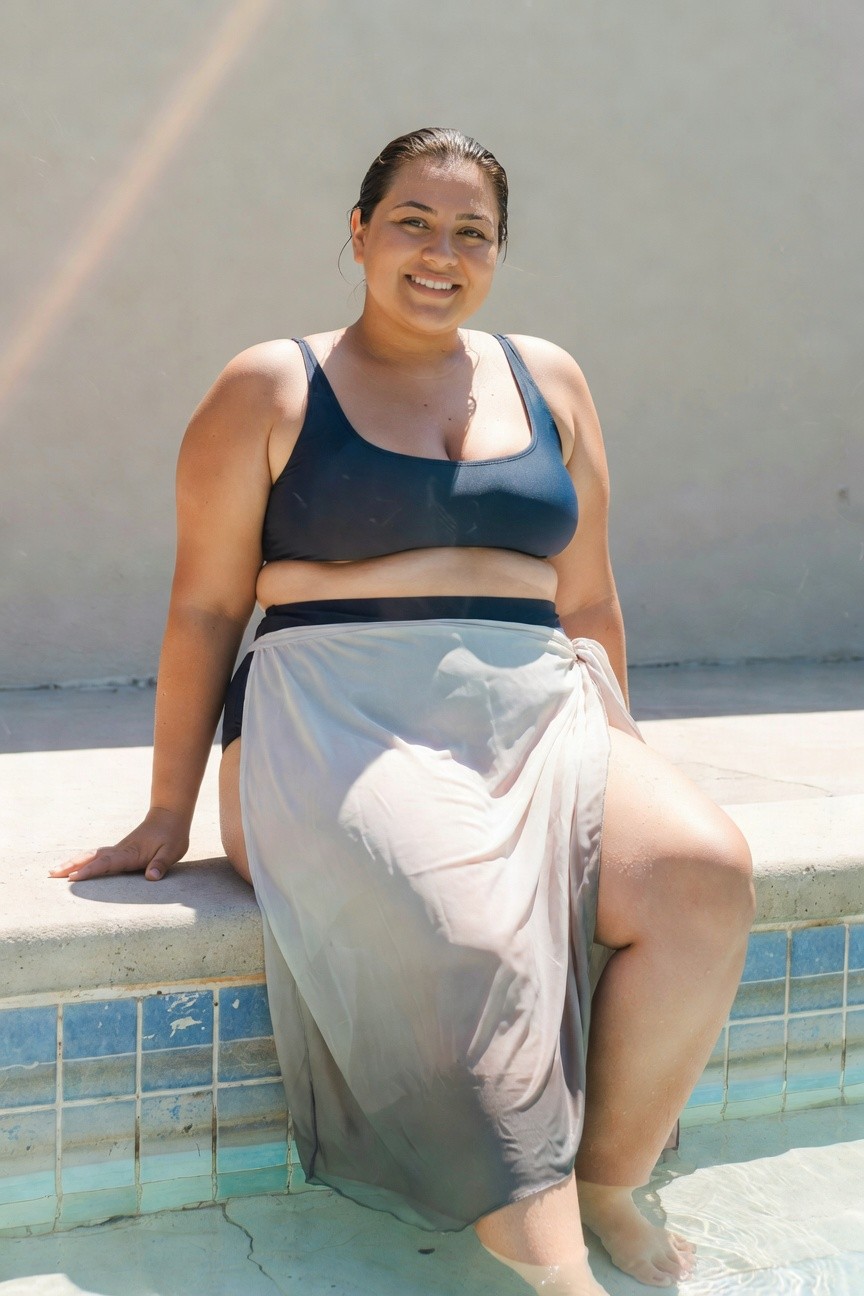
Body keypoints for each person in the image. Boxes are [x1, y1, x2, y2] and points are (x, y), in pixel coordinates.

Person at [52, 127, 755, 1295]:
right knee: (470, 938)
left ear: (500, 252)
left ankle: (607, 1183)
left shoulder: (552, 378)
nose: (441, 252)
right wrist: (167, 810)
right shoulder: (271, 385)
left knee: (702, 871)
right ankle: (551, 1270)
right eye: (413, 223)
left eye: (471, 232)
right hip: (340, 716)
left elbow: (590, 601)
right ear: (360, 232)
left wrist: (623, 761)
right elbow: (206, 607)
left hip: (544, 710)